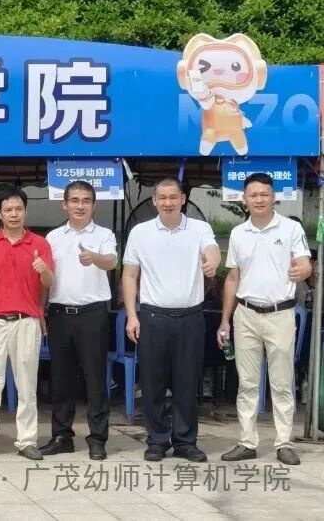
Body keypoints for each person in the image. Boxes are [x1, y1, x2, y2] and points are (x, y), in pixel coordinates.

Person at [122, 177, 220, 463]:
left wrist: (213, 261)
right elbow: (129, 275)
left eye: (173, 197)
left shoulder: (199, 228)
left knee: (187, 382)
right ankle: (156, 440)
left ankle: (185, 441)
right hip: (153, 317)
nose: (167, 203)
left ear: (183, 199)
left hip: (191, 318)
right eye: (162, 198)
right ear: (154, 201)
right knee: (152, 382)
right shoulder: (140, 232)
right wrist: (131, 315)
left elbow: (212, 250)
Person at [219, 173, 311, 466]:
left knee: (281, 382)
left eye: (264, 194)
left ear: (274, 197)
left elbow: (305, 263)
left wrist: (304, 270)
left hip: (280, 314)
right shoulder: (238, 233)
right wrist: (225, 320)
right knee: (247, 383)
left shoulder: (291, 228)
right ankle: (247, 442)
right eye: (253, 195)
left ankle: (284, 442)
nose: (259, 199)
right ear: (245, 200)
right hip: (245, 314)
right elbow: (232, 278)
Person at [0, 186, 52, 461]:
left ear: (25, 212)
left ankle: (27, 441)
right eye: (8, 210)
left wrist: (44, 272)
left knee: (27, 384)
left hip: (26, 321)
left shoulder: (40, 244)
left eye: (18, 209)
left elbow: (48, 283)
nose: (13, 214)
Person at [39, 181, 117, 461]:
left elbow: (111, 262)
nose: (80, 206)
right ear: (65, 204)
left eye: (86, 201)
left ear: (94, 205)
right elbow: (45, 278)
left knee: (95, 379)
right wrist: (40, 310)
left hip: (93, 315)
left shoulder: (104, 234)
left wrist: (94, 257)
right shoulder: (52, 237)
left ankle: (97, 438)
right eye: (74, 200)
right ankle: (62, 436)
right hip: (60, 314)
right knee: (61, 378)